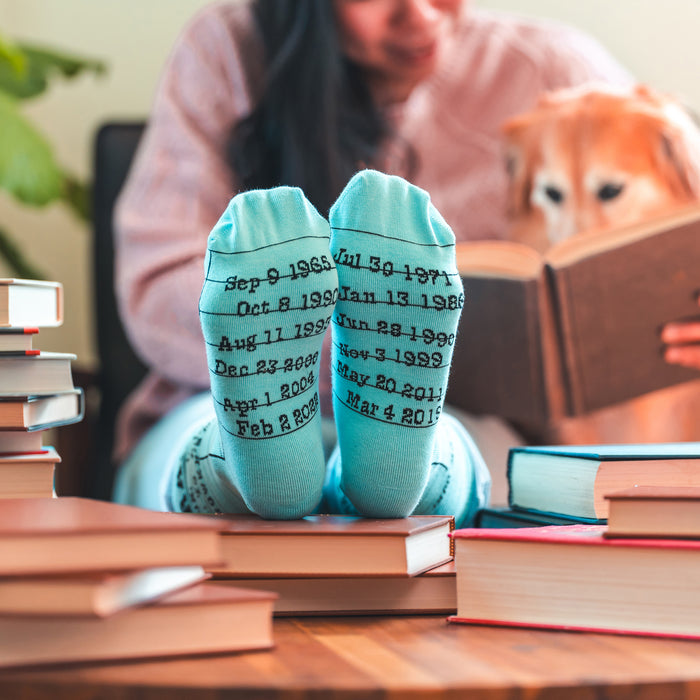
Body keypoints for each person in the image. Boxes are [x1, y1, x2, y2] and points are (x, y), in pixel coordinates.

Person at [112, 0, 633, 519]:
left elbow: (671, 230)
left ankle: (359, 464)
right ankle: (300, 452)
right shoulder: (228, 47)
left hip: (463, 409)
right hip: (212, 396)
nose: (422, 13)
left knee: (450, 435)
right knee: (449, 454)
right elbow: (156, 288)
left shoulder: (553, 69)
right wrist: (370, 351)